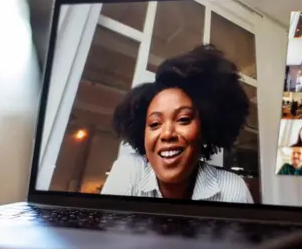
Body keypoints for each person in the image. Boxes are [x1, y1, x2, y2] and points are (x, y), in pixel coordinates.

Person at [101, 45, 254, 204]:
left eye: (183, 119)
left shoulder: (232, 191)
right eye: (154, 124)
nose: (167, 134)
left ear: (205, 128)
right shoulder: (128, 172)